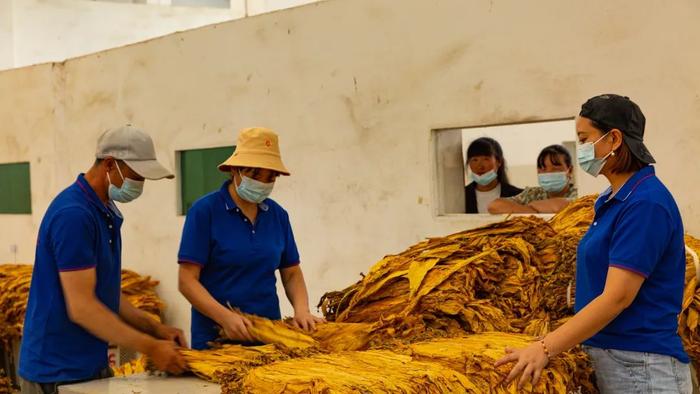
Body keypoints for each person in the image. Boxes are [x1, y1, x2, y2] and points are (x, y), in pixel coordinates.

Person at [495, 94, 691, 393]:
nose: (582, 149)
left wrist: (544, 348)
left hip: (641, 368)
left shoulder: (645, 203)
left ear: (613, 140)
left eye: (585, 139)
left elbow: (617, 297)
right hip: (615, 361)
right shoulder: (612, 199)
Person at [19, 125, 188, 394]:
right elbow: (83, 307)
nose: (140, 185)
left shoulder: (104, 212)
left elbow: (107, 294)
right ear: (110, 164)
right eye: (137, 176)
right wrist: (150, 347)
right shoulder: (74, 215)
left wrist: (156, 329)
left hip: (89, 366)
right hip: (56, 372)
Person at [178, 127, 324, 350]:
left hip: (268, 338)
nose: (262, 183)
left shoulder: (278, 216)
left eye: (270, 177)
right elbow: (187, 281)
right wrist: (225, 317)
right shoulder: (205, 211)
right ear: (234, 170)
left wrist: (301, 310)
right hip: (217, 342)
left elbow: (291, 272)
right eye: (255, 174)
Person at [488, 144, 578, 214]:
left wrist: (526, 207)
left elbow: (559, 206)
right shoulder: (532, 193)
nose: (548, 173)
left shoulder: (580, 194)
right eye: (543, 169)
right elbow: (494, 205)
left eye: (555, 169)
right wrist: (530, 211)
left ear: (569, 170)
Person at [464, 137, 523, 213]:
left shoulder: (517, 195)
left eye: (486, 159)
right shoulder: (461, 196)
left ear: (499, 162)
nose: (480, 166)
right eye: (475, 160)